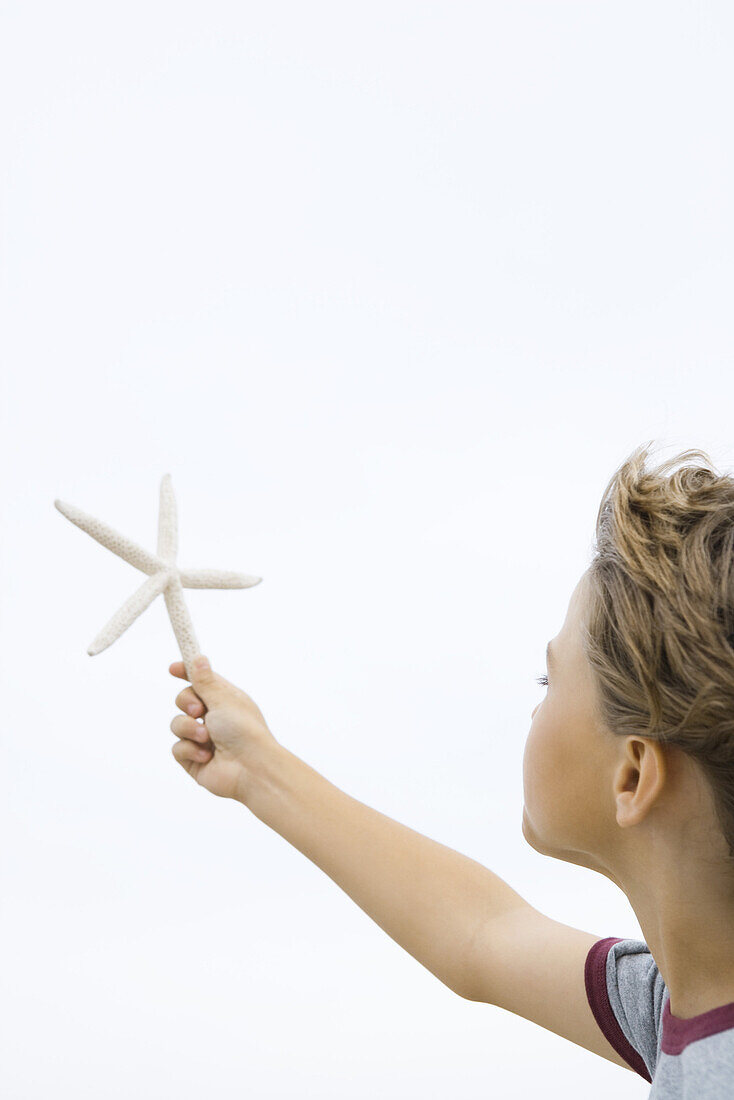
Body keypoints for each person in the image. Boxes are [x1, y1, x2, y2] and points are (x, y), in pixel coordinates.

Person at [168, 441, 734, 1095]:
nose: (532, 707)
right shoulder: (675, 1004)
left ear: (632, 777)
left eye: (549, 678)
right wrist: (257, 767)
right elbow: (481, 933)